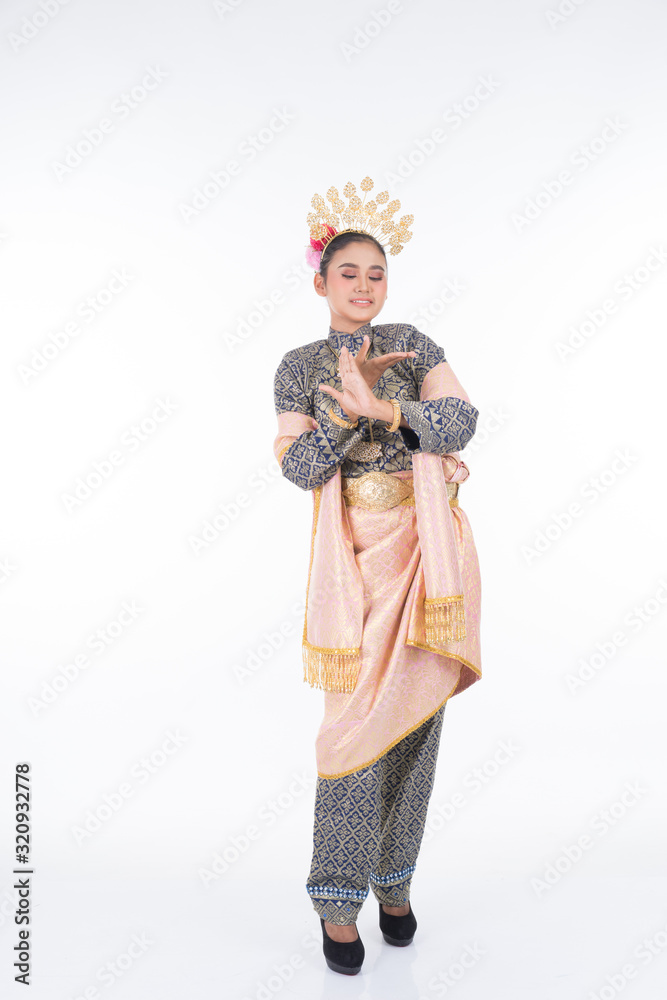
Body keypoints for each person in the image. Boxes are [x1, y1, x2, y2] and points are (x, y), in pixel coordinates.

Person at [272, 178, 482, 976]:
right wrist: (343, 408)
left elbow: (461, 419)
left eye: (376, 274)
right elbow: (297, 469)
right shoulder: (298, 368)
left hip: (429, 558)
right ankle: (336, 900)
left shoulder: (415, 345)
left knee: (415, 730)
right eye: (348, 273)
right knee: (351, 733)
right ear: (319, 281)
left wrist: (386, 409)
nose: (364, 286)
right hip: (353, 568)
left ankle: (393, 887)